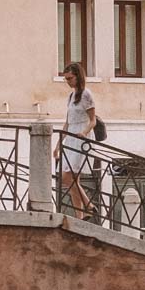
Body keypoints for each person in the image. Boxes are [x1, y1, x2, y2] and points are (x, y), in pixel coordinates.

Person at [55, 62, 98, 217]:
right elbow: (67, 123)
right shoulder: (71, 96)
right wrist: (58, 146)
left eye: (70, 78)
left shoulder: (86, 94)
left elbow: (93, 120)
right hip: (71, 136)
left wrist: (84, 133)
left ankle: (88, 204)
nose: (68, 82)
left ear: (78, 76)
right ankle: (81, 215)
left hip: (81, 138)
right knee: (73, 179)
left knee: (67, 177)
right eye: (66, 79)